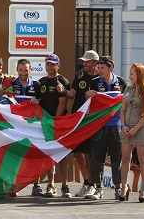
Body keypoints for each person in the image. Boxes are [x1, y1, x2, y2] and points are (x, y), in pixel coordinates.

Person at [83, 55, 125, 200]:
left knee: (116, 158)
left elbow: (126, 102)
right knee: (97, 158)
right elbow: (88, 104)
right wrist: (87, 94)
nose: (99, 70)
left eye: (102, 68)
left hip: (117, 125)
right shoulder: (94, 82)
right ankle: (98, 188)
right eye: (98, 68)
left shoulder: (120, 82)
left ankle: (118, 188)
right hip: (99, 126)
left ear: (110, 68)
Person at [32, 54, 70, 198]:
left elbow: (63, 103)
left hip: (58, 123)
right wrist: (36, 102)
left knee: (62, 154)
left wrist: (56, 121)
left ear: (58, 66)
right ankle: (50, 185)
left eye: (52, 64)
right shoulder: (41, 82)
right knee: (47, 154)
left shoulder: (62, 81)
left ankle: (65, 186)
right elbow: (38, 101)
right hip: (44, 124)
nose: (49, 67)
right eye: (47, 64)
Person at [64, 50, 99, 198]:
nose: (84, 64)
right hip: (78, 121)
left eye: (87, 61)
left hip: (93, 121)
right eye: (83, 61)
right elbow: (72, 94)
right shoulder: (79, 77)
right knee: (78, 153)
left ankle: (92, 184)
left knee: (89, 154)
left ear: (95, 63)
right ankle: (86, 182)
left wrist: (96, 94)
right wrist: (63, 91)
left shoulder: (100, 79)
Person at [120, 63, 144, 203]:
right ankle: (123, 188)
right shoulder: (128, 89)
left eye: (132, 74)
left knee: (142, 159)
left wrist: (135, 128)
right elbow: (122, 110)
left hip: (140, 129)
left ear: (139, 75)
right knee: (126, 158)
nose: (130, 76)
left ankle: (143, 189)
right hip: (126, 128)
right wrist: (123, 126)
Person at [11, 59, 42, 196]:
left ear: (30, 70)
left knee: (34, 155)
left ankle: (37, 184)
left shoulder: (37, 85)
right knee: (16, 155)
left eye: (26, 70)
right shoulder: (11, 84)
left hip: (32, 126)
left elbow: (43, 102)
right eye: (21, 70)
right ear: (17, 70)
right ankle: (14, 185)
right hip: (15, 126)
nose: (24, 73)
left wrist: (38, 101)